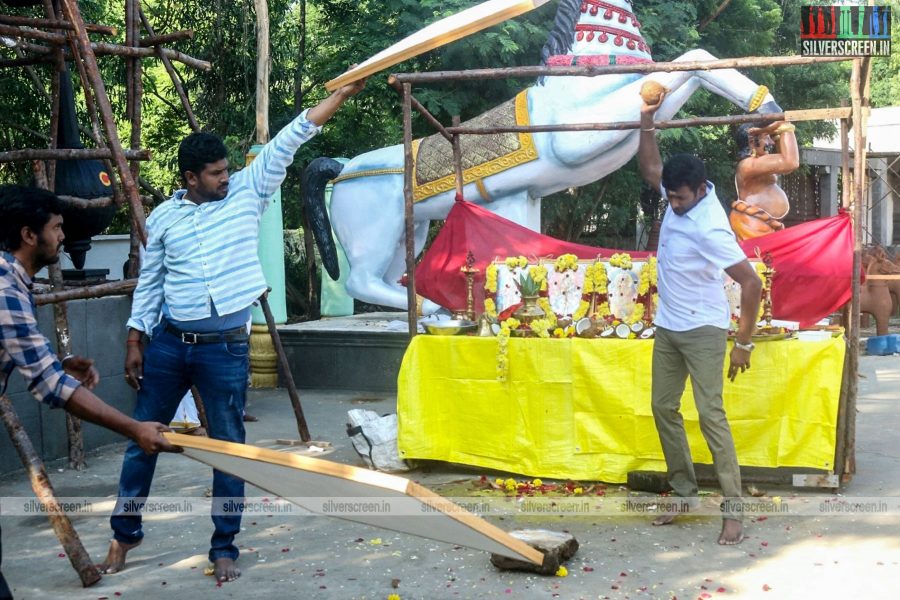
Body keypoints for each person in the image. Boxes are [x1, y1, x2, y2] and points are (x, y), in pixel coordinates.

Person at [100, 78, 366, 583]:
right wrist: (135, 340)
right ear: (191, 177)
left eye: (227, 170)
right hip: (170, 345)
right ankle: (123, 536)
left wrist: (343, 95)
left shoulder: (249, 190)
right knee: (143, 440)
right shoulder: (164, 219)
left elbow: (294, 134)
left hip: (224, 349)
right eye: (216, 173)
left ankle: (225, 545)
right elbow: (151, 283)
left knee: (229, 446)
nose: (226, 178)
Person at [0, 185, 179, 598]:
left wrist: (61, 365)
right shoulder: (7, 290)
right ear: (30, 235)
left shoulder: (13, 281)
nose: (62, 236)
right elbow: (51, 388)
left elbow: (38, 367)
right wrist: (135, 428)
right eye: (57, 227)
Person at [637, 92, 763, 545]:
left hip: (706, 329)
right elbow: (651, 168)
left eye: (679, 199)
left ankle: (733, 511)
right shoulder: (676, 192)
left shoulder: (710, 225)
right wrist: (646, 118)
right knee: (662, 406)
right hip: (669, 327)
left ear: (700, 189)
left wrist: (742, 342)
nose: (672, 204)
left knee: (711, 415)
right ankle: (684, 491)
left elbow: (752, 284)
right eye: (669, 197)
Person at [729, 120, 799, 240]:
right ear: (752, 141)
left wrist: (774, 132)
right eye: (767, 137)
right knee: (757, 258)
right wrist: (784, 127)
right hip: (752, 224)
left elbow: (787, 167)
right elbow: (790, 162)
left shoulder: (756, 162)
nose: (771, 142)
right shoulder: (747, 165)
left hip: (760, 223)